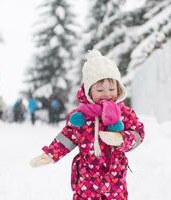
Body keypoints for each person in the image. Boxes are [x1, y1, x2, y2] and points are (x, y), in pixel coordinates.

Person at [30, 50, 145, 199]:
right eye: (100, 90)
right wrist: (51, 154)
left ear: (119, 88)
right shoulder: (81, 117)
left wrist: (122, 139)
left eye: (112, 89)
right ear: (89, 91)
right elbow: (67, 138)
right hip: (87, 182)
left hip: (115, 181)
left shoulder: (124, 114)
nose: (107, 94)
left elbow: (138, 134)